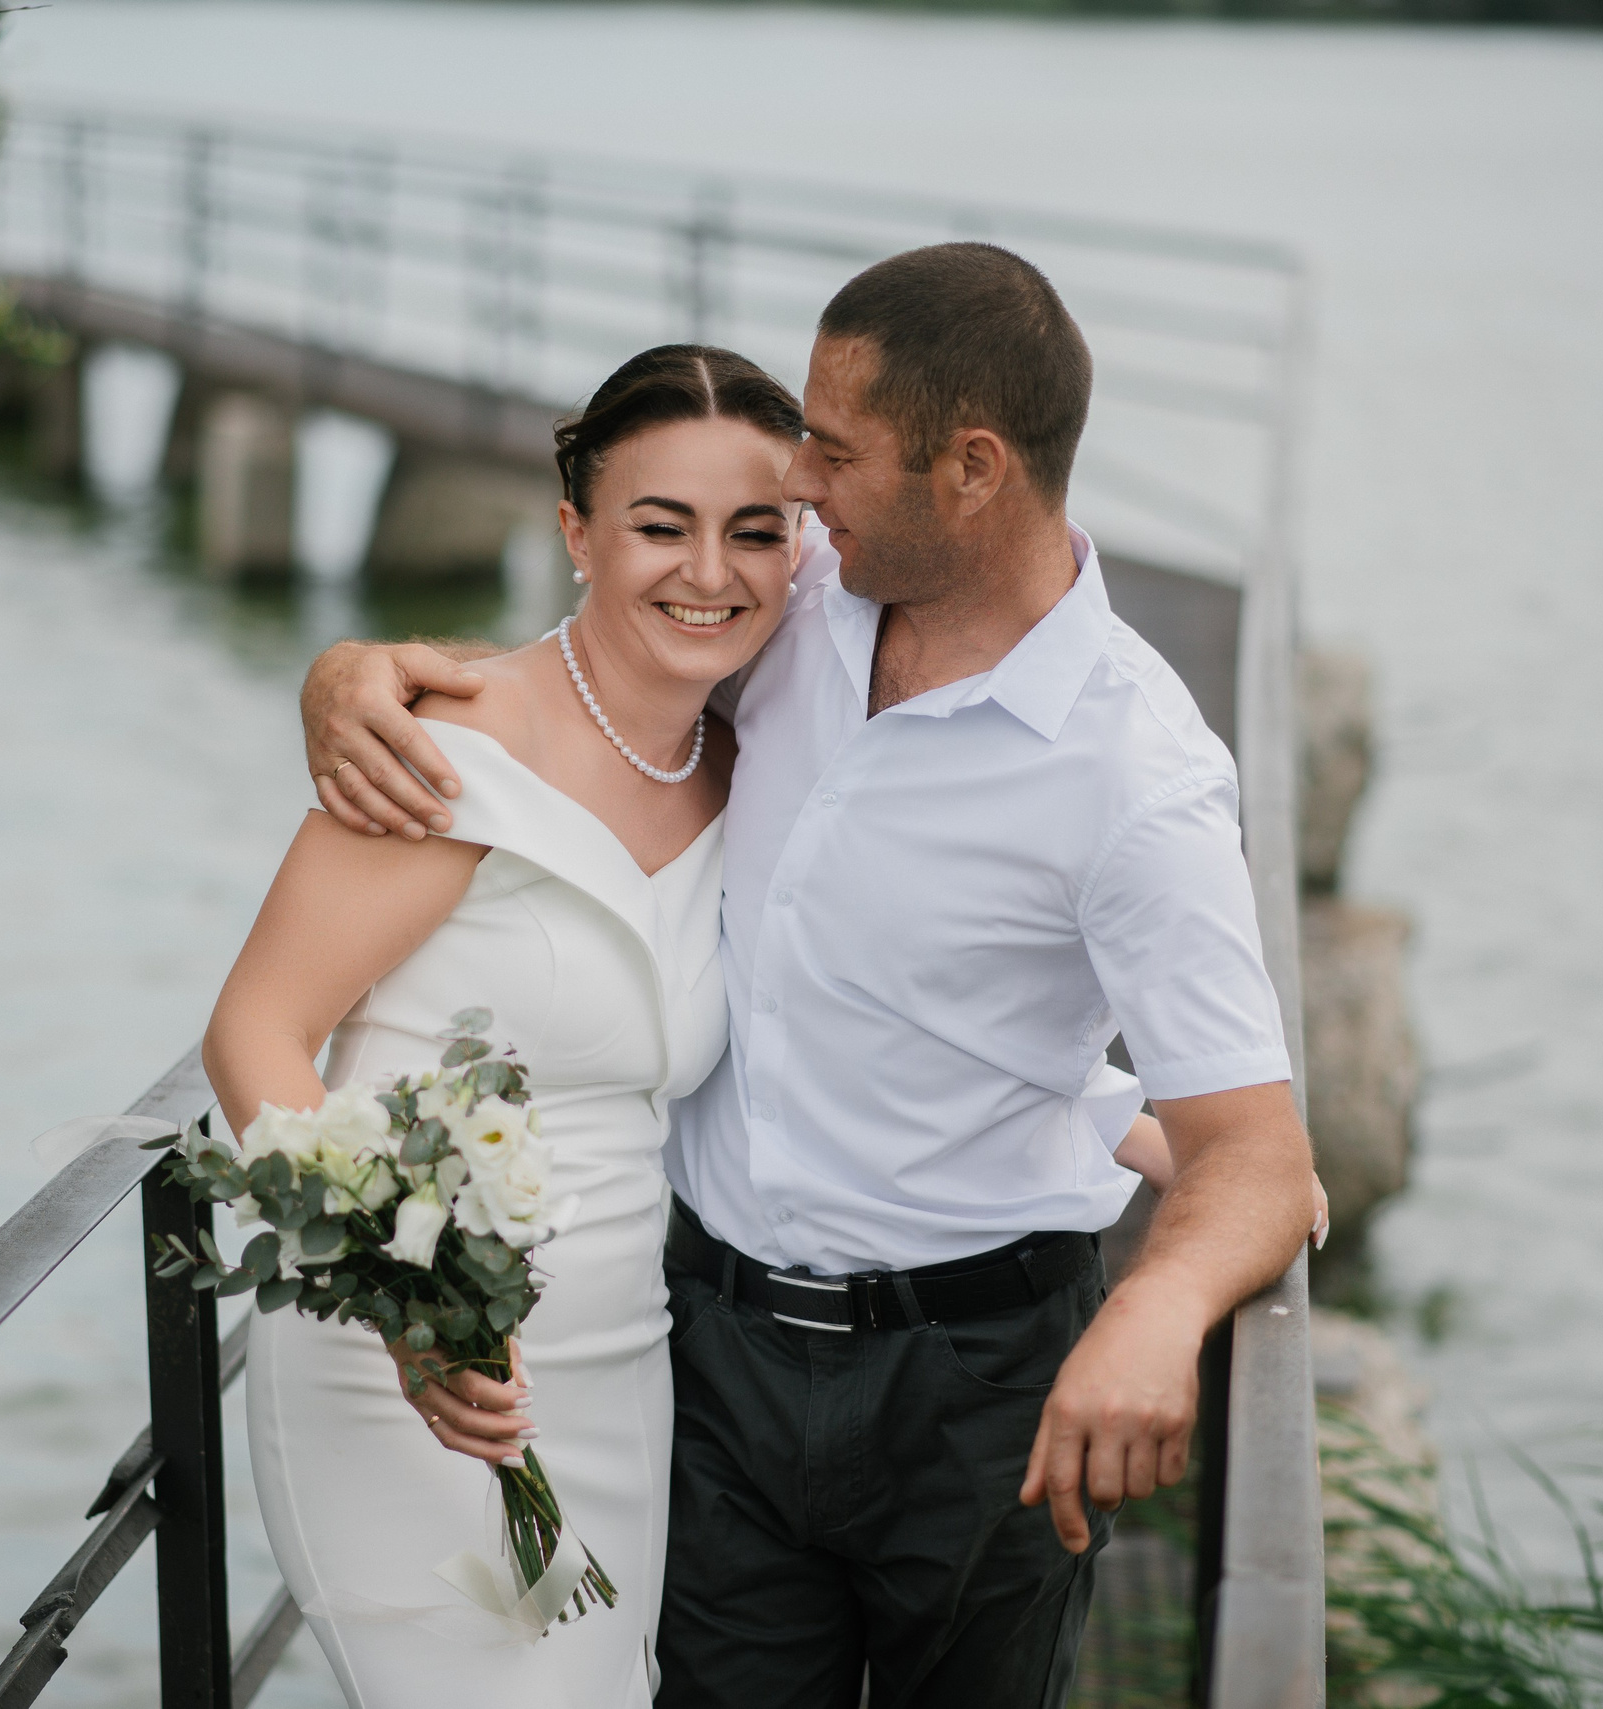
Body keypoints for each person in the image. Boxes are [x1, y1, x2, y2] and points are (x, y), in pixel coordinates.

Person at [296, 243, 1318, 1708]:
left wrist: (1153, 1313)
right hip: (708, 1353)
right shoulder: (805, 589)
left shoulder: (1140, 779)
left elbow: (1260, 1158)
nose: (799, 483)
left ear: (972, 470)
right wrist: (358, 667)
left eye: (834, 451)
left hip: (976, 1392)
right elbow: (600, 661)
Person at [202, 344, 818, 1706]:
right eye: (660, 525)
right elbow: (254, 1034)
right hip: (405, 1382)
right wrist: (406, 1310)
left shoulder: (754, 769)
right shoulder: (447, 747)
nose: (709, 571)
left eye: (755, 530)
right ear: (576, 535)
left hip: (619, 1374)